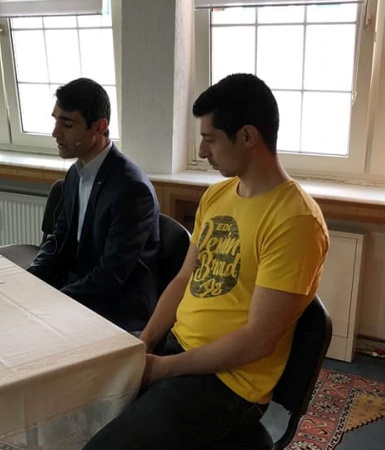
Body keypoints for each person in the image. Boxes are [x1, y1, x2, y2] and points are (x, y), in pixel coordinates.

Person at [82, 73, 330, 449]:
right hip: (177, 350)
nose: (201, 151)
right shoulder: (218, 196)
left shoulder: (295, 221)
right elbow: (184, 280)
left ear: (247, 137)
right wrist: (145, 343)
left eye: (210, 139)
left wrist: (163, 369)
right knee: (74, 407)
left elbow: (257, 342)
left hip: (228, 382)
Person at [28, 78, 160, 332]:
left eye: (67, 124)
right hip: (81, 289)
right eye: (55, 120)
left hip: (117, 305)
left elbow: (112, 275)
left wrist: (54, 300)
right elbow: (59, 239)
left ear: (99, 127)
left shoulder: (131, 189)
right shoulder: (76, 173)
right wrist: (29, 278)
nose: (55, 132)